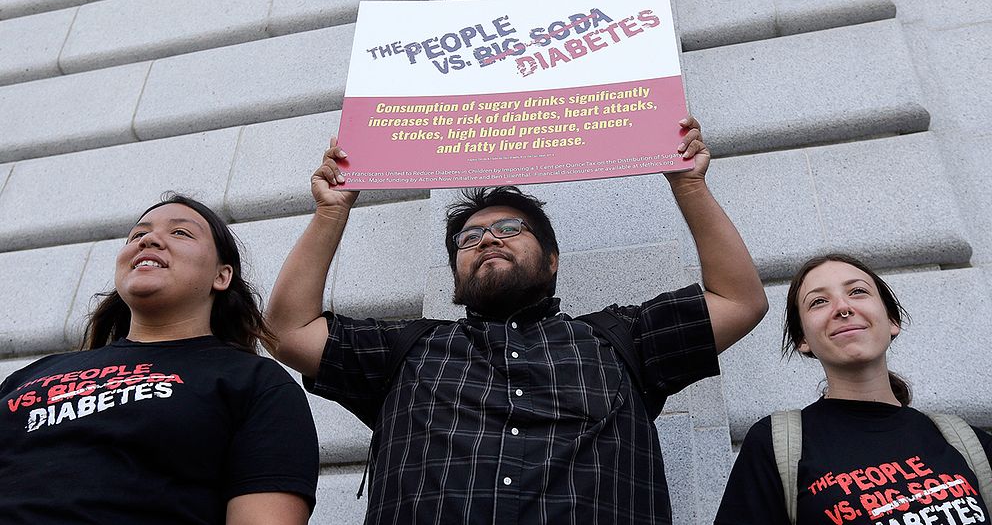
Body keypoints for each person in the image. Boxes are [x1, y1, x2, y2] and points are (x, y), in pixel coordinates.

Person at [266, 117, 768, 524]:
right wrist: (330, 213)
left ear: (552, 259)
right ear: (456, 278)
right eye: (469, 238)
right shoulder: (405, 351)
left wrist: (689, 185)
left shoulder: (621, 340)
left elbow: (738, 300)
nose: (486, 239)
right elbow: (288, 331)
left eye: (509, 228)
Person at [0, 194, 319, 525]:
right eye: (138, 235)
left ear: (221, 276)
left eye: (180, 232)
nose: (149, 240)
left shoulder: (255, 382)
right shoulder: (28, 376)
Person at [715, 253, 992, 525]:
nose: (843, 307)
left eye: (858, 291)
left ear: (892, 321)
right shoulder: (775, 446)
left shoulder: (968, 443)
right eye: (819, 301)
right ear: (802, 339)